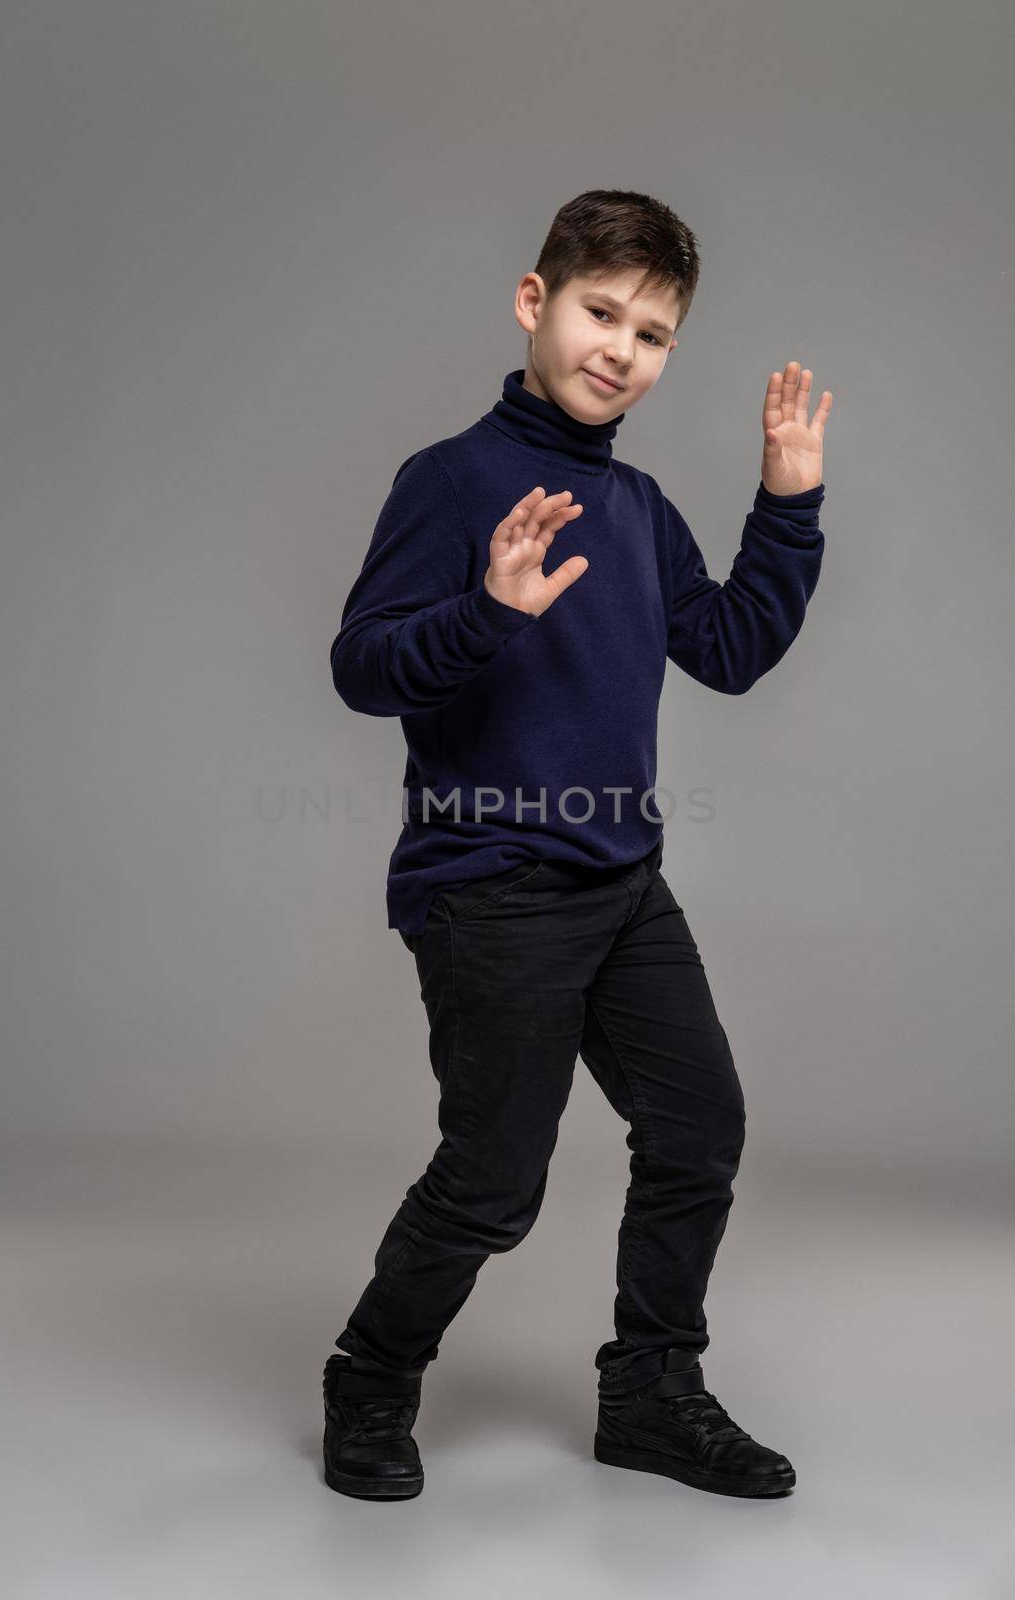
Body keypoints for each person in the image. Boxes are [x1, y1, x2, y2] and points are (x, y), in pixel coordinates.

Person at [322, 188, 833, 1501]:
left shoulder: (645, 508)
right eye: (602, 312)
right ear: (533, 301)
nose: (622, 348)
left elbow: (724, 649)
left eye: (654, 334)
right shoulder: (450, 484)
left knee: (700, 1129)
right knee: (495, 1184)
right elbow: (363, 669)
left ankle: (650, 1393)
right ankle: (369, 1381)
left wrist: (786, 505)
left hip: (622, 883)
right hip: (488, 887)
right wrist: (485, 608)